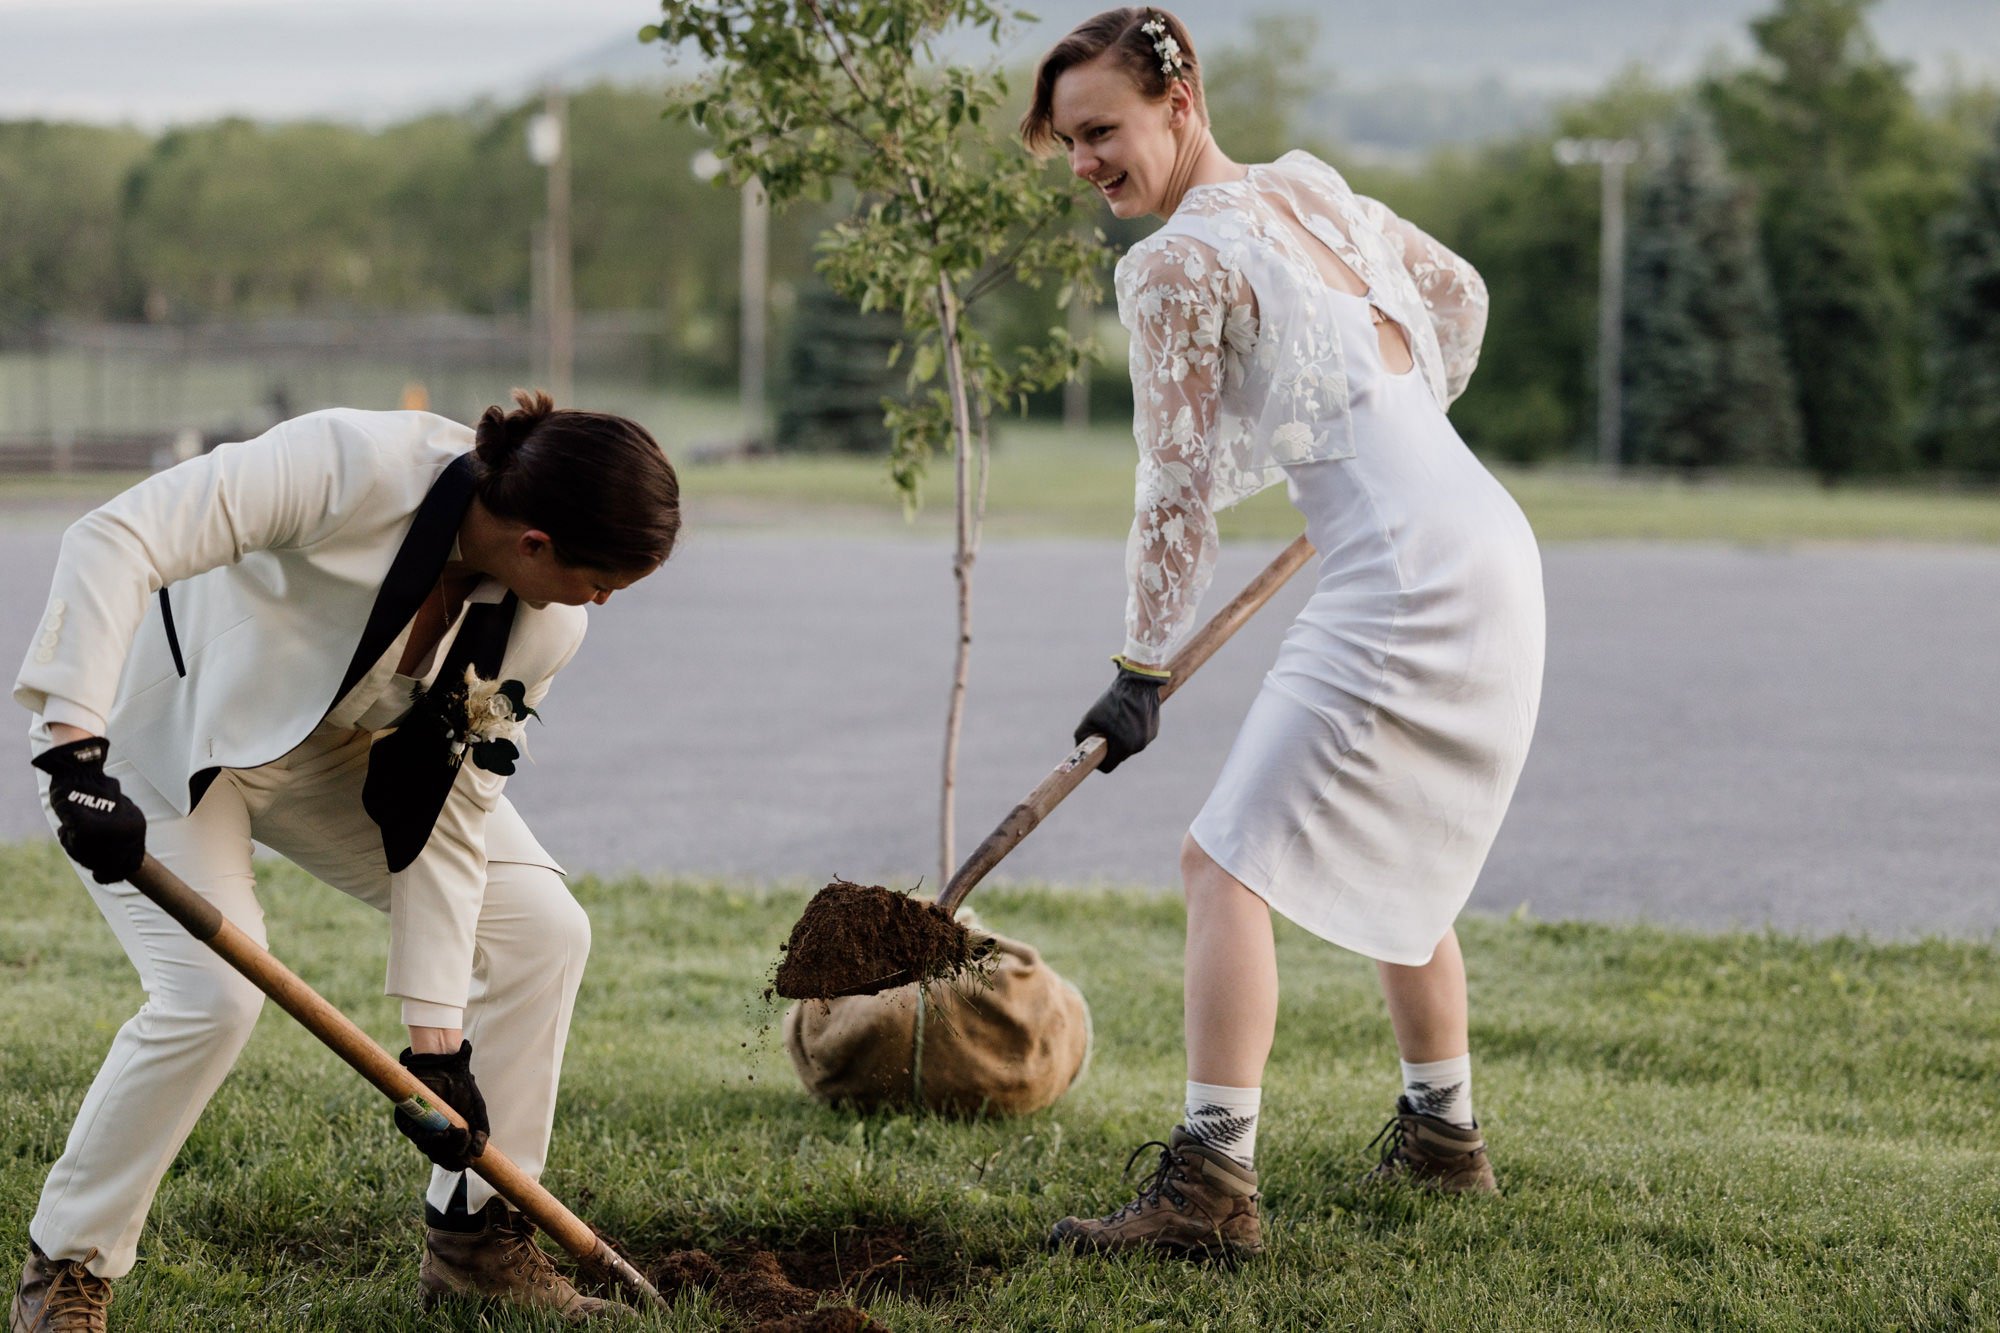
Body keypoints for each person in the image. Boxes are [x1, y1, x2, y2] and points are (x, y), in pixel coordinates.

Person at [1020, 9, 1546, 1261]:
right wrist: (1374, 441)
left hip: (1406, 575)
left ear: (1178, 98)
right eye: (1068, 142)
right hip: (1487, 541)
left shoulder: (1168, 267)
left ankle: (1206, 1189)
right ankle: (1442, 1138)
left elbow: (1175, 485)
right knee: (1405, 855)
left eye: (1103, 131)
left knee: (1223, 863)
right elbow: (1456, 297)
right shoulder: (1305, 186)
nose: (1087, 163)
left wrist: (1138, 672)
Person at [9, 390, 678, 1328]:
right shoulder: (350, 463)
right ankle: (68, 1266)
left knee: (542, 928)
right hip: (156, 735)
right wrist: (74, 750)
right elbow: (115, 537)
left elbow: (442, 813)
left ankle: (476, 1243)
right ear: (535, 541)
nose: (603, 602)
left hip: (335, 756)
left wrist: (436, 1050)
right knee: (213, 997)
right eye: (604, 577)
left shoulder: (543, 624)